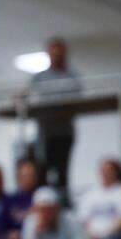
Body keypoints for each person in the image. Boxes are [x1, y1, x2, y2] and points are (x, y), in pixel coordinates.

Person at [27, 38, 81, 193]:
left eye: (59, 53)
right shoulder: (39, 77)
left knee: (62, 171)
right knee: (42, 170)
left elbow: (76, 100)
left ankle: (62, 202)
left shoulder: (72, 76)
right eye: (53, 53)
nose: (56, 56)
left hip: (63, 132)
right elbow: (28, 94)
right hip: (45, 132)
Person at [76, 158, 121, 239]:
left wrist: (104, 234)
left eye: (108, 170)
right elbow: (84, 219)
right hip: (92, 237)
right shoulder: (90, 193)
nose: (105, 173)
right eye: (103, 170)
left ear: (116, 172)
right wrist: (92, 234)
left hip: (115, 237)